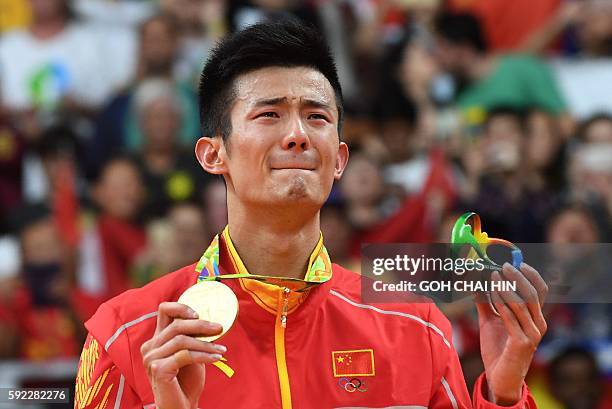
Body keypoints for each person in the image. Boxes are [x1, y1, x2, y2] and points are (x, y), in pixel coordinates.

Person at [75, 21, 548, 408]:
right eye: (269, 115)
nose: (298, 135)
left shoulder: (414, 325)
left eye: (317, 116)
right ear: (212, 155)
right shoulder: (127, 334)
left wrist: (504, 392)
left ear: (339, 159)